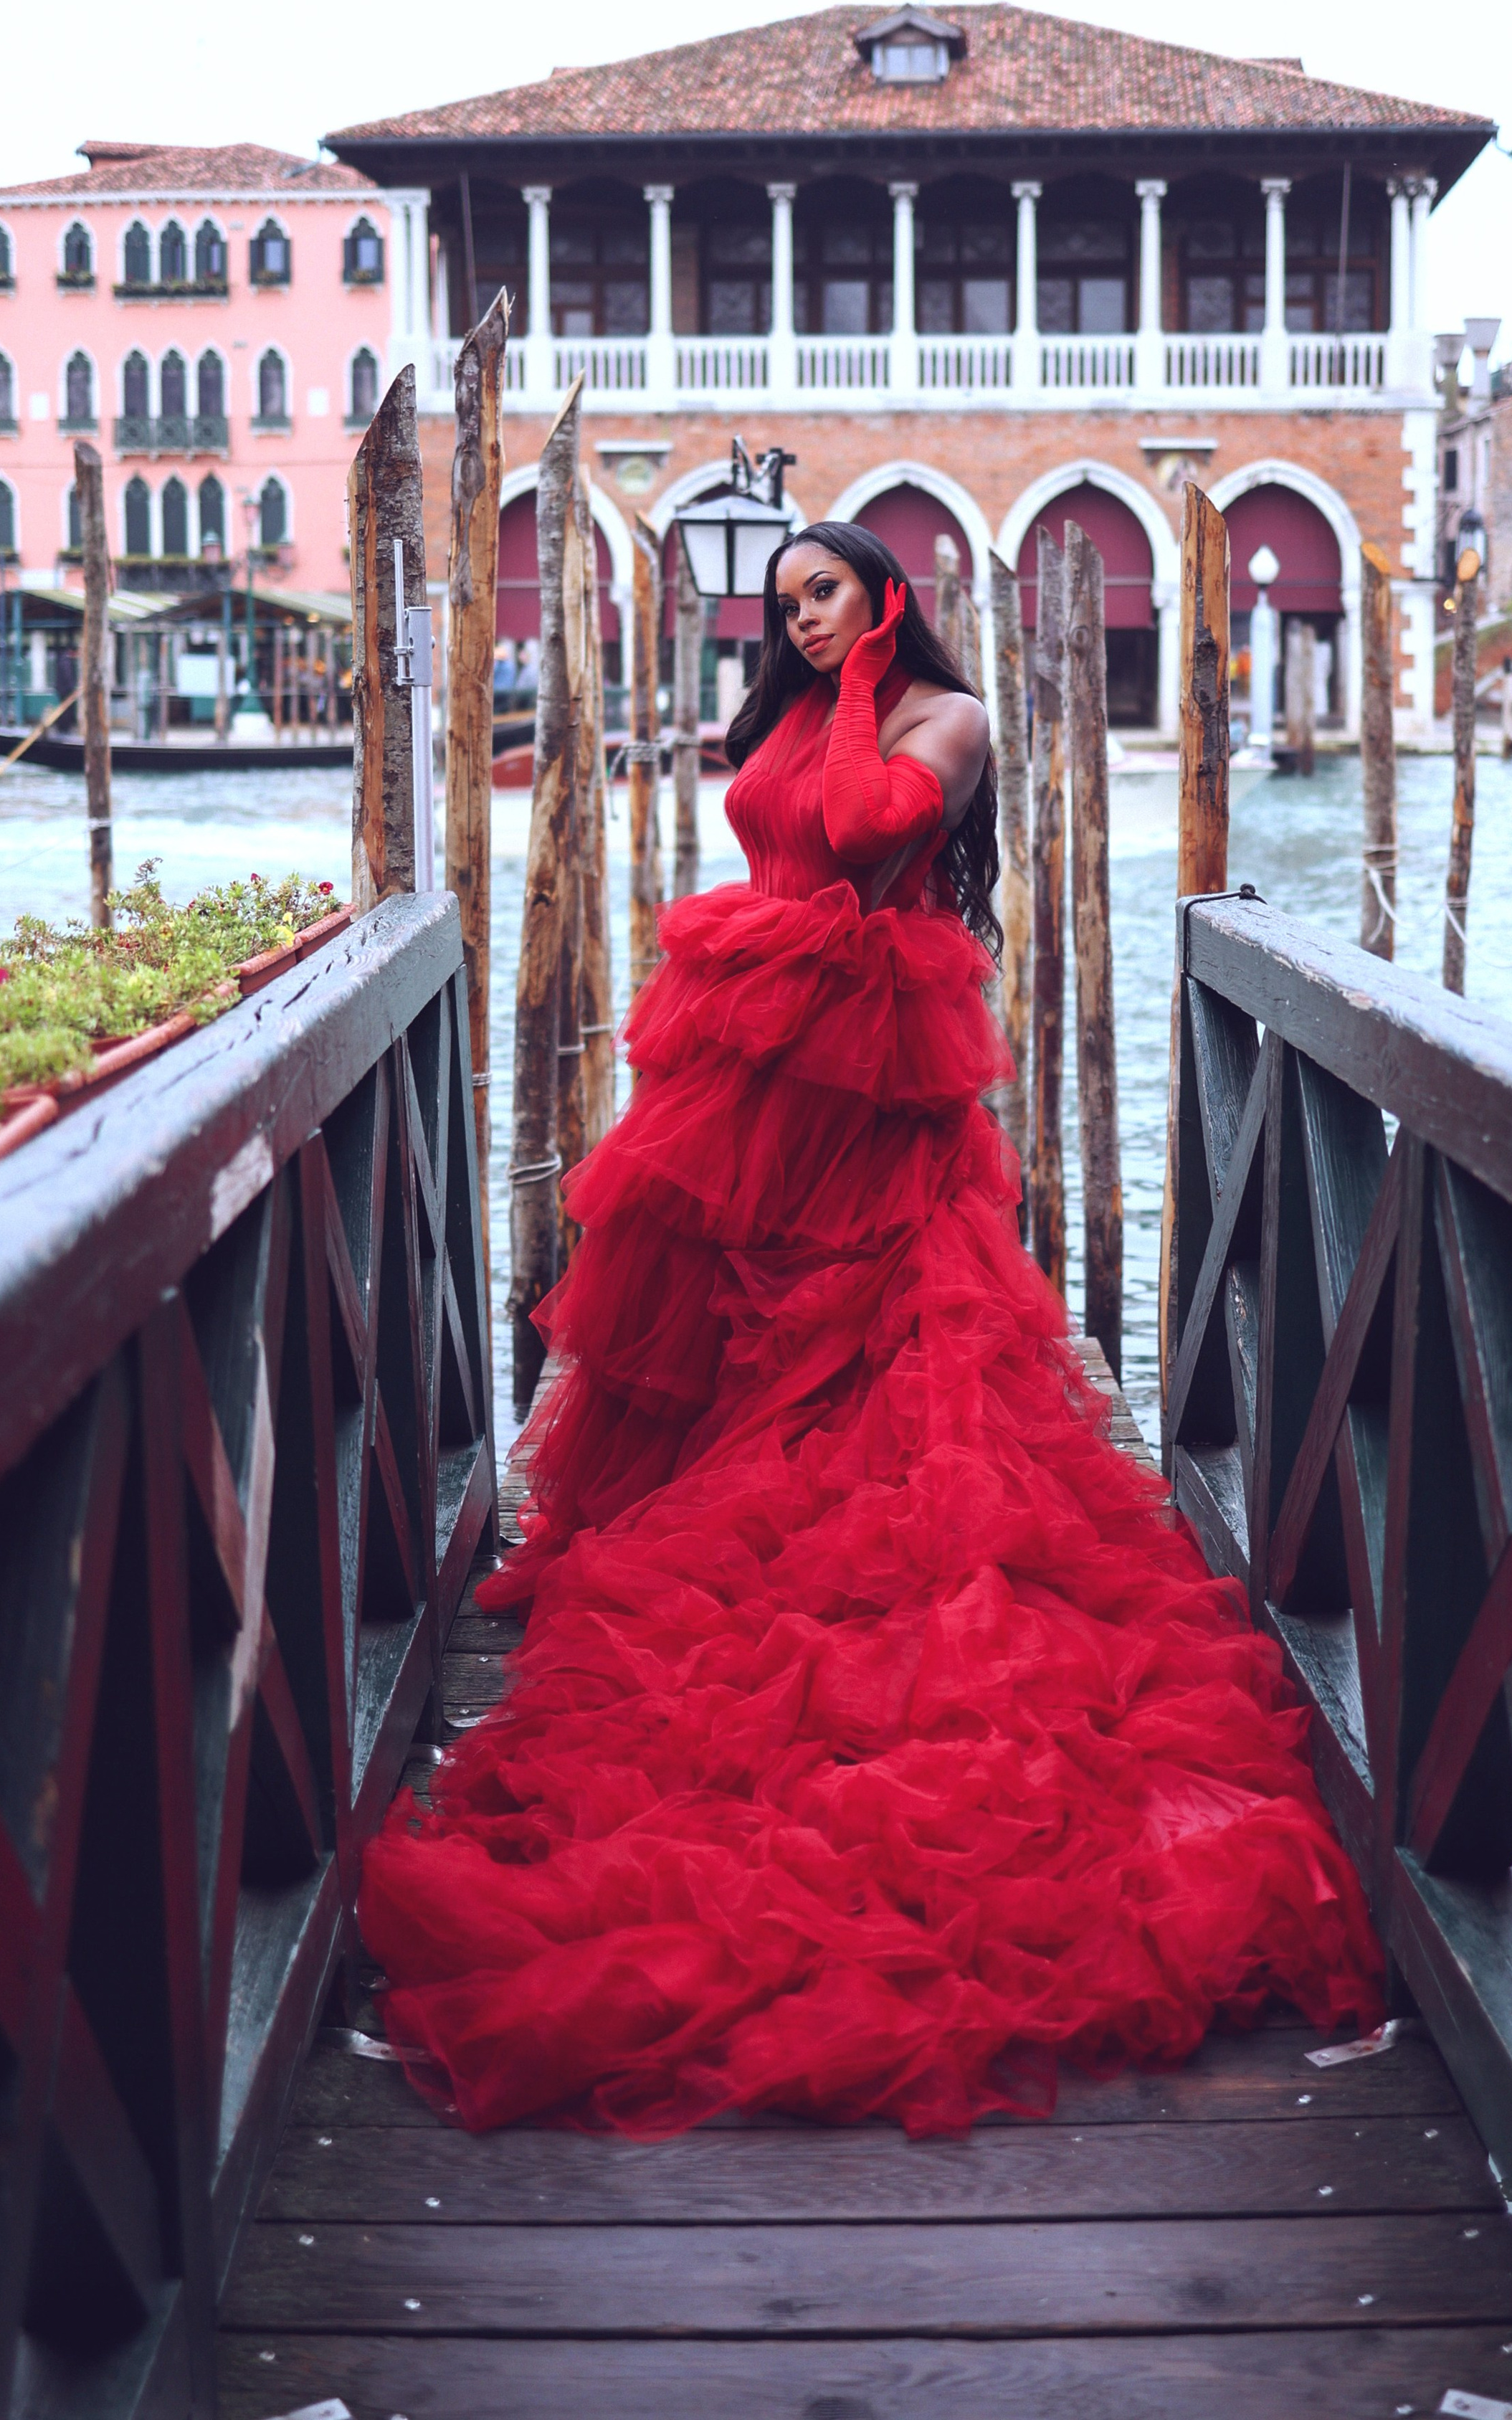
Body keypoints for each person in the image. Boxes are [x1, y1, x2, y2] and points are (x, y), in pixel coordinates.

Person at [361, 520, 1380, 2137]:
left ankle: (875, 1575)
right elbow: (767, 817)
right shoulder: (801, 698)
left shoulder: (943, 723)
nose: (799, 623)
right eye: (781, 607)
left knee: (874, 1333)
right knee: (740, 1331)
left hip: (868, 1059)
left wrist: (862, 680)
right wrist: (802, 687)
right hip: (757, 1051)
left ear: (888, 595)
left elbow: (850, 830)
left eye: (822, 595)